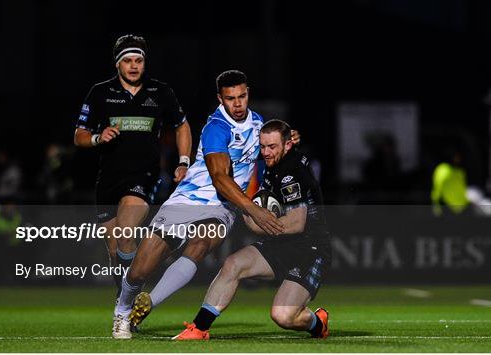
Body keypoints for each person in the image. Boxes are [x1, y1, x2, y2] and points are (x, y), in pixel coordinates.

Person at [112, 70, 299, 339]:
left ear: (248, 93)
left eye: (242, 96)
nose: (237, 104)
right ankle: (122, 308)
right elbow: (220, 178)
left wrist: (286, 142)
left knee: (199, 244)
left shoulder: (258, 123)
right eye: (230, 98)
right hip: (189, 198)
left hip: (224, 207)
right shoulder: (216, 128)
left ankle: (149, 303)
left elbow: (268, 151)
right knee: (143, 265)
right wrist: (254, 209)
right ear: (219, 99)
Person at [173, 119, 330, 340]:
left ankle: (317, 323)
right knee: (233, 264)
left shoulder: (291, 174)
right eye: (262, 146)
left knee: (283, 316)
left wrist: (256, 220)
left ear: (287, 145)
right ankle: (199, 328)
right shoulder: (276, 161)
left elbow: (296, 224)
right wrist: (252, 215)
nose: (265, 152)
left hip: (310, 250)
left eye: (272, 147)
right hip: (283, 244)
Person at [73, 34, 192, 297]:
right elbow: (79, 135)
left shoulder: (160, 92)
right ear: (118, 64)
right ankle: (124, 297)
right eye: (128, 60)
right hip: (108, 179)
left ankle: (125, 306)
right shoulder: (100, 92)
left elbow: (181, 125)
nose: (134, 65)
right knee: (115, 248)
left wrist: (184, 161)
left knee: (127, 228)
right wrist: (97, 137)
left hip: (144, 175)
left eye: (139, 60)